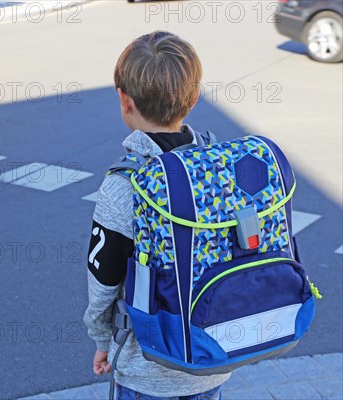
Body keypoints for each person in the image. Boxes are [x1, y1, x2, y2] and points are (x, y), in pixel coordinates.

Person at [83, 31, 231, 400]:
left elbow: (103, 280)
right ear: (194, 98)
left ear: (124, 99)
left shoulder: (125, 184)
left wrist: (102, 339)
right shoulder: (218, 167)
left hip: (146, 367)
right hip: (213, 356)